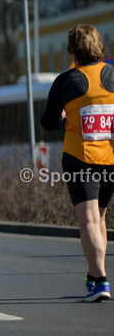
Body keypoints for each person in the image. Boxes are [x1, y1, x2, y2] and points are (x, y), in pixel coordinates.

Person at [41, 24, 113, 302]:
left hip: (80, 158)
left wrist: (63, 118)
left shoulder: (66, 81)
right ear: (99, 46)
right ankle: (94, 275)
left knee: (89, 220)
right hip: (111, 158)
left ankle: (101, 281)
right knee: (100, 218)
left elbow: (48, 122)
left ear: (72, 50)